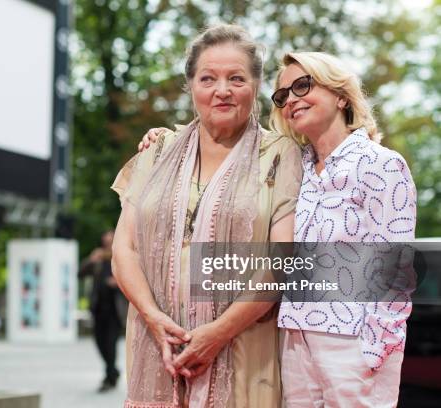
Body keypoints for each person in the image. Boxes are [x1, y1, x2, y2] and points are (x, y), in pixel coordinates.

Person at [111, 24, 302, 407]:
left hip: (243, 351)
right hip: (157, 346)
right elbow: (124, 249)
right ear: (191, 87)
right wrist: (153, 318)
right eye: (208, 78)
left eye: (236, 78)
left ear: (256, 85)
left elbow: (283, 260)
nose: (223, 90)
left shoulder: (280, 154)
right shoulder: (158, 151)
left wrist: (216, 334)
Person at [269, 52, 417, 407]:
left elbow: (396, 267)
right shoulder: (292, 169)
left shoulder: (380, 163)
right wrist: (166, 139)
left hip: (355, 343)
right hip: (294, 339)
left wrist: (374, 348)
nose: (291, 99)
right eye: (282, 95)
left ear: (340, 95)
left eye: (303, 85)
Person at [79, 230, 126, 392]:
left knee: (110, 344)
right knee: (99, 343)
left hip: (115, 311)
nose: (107, 243)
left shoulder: (122, 257)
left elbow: (133, 280)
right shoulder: (98, 260)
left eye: (110, 240)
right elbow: (81, 273)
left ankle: (109, 377)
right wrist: (91, 260)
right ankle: (113, 371)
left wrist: (118, 282)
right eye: (105, 240)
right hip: (98, 309)